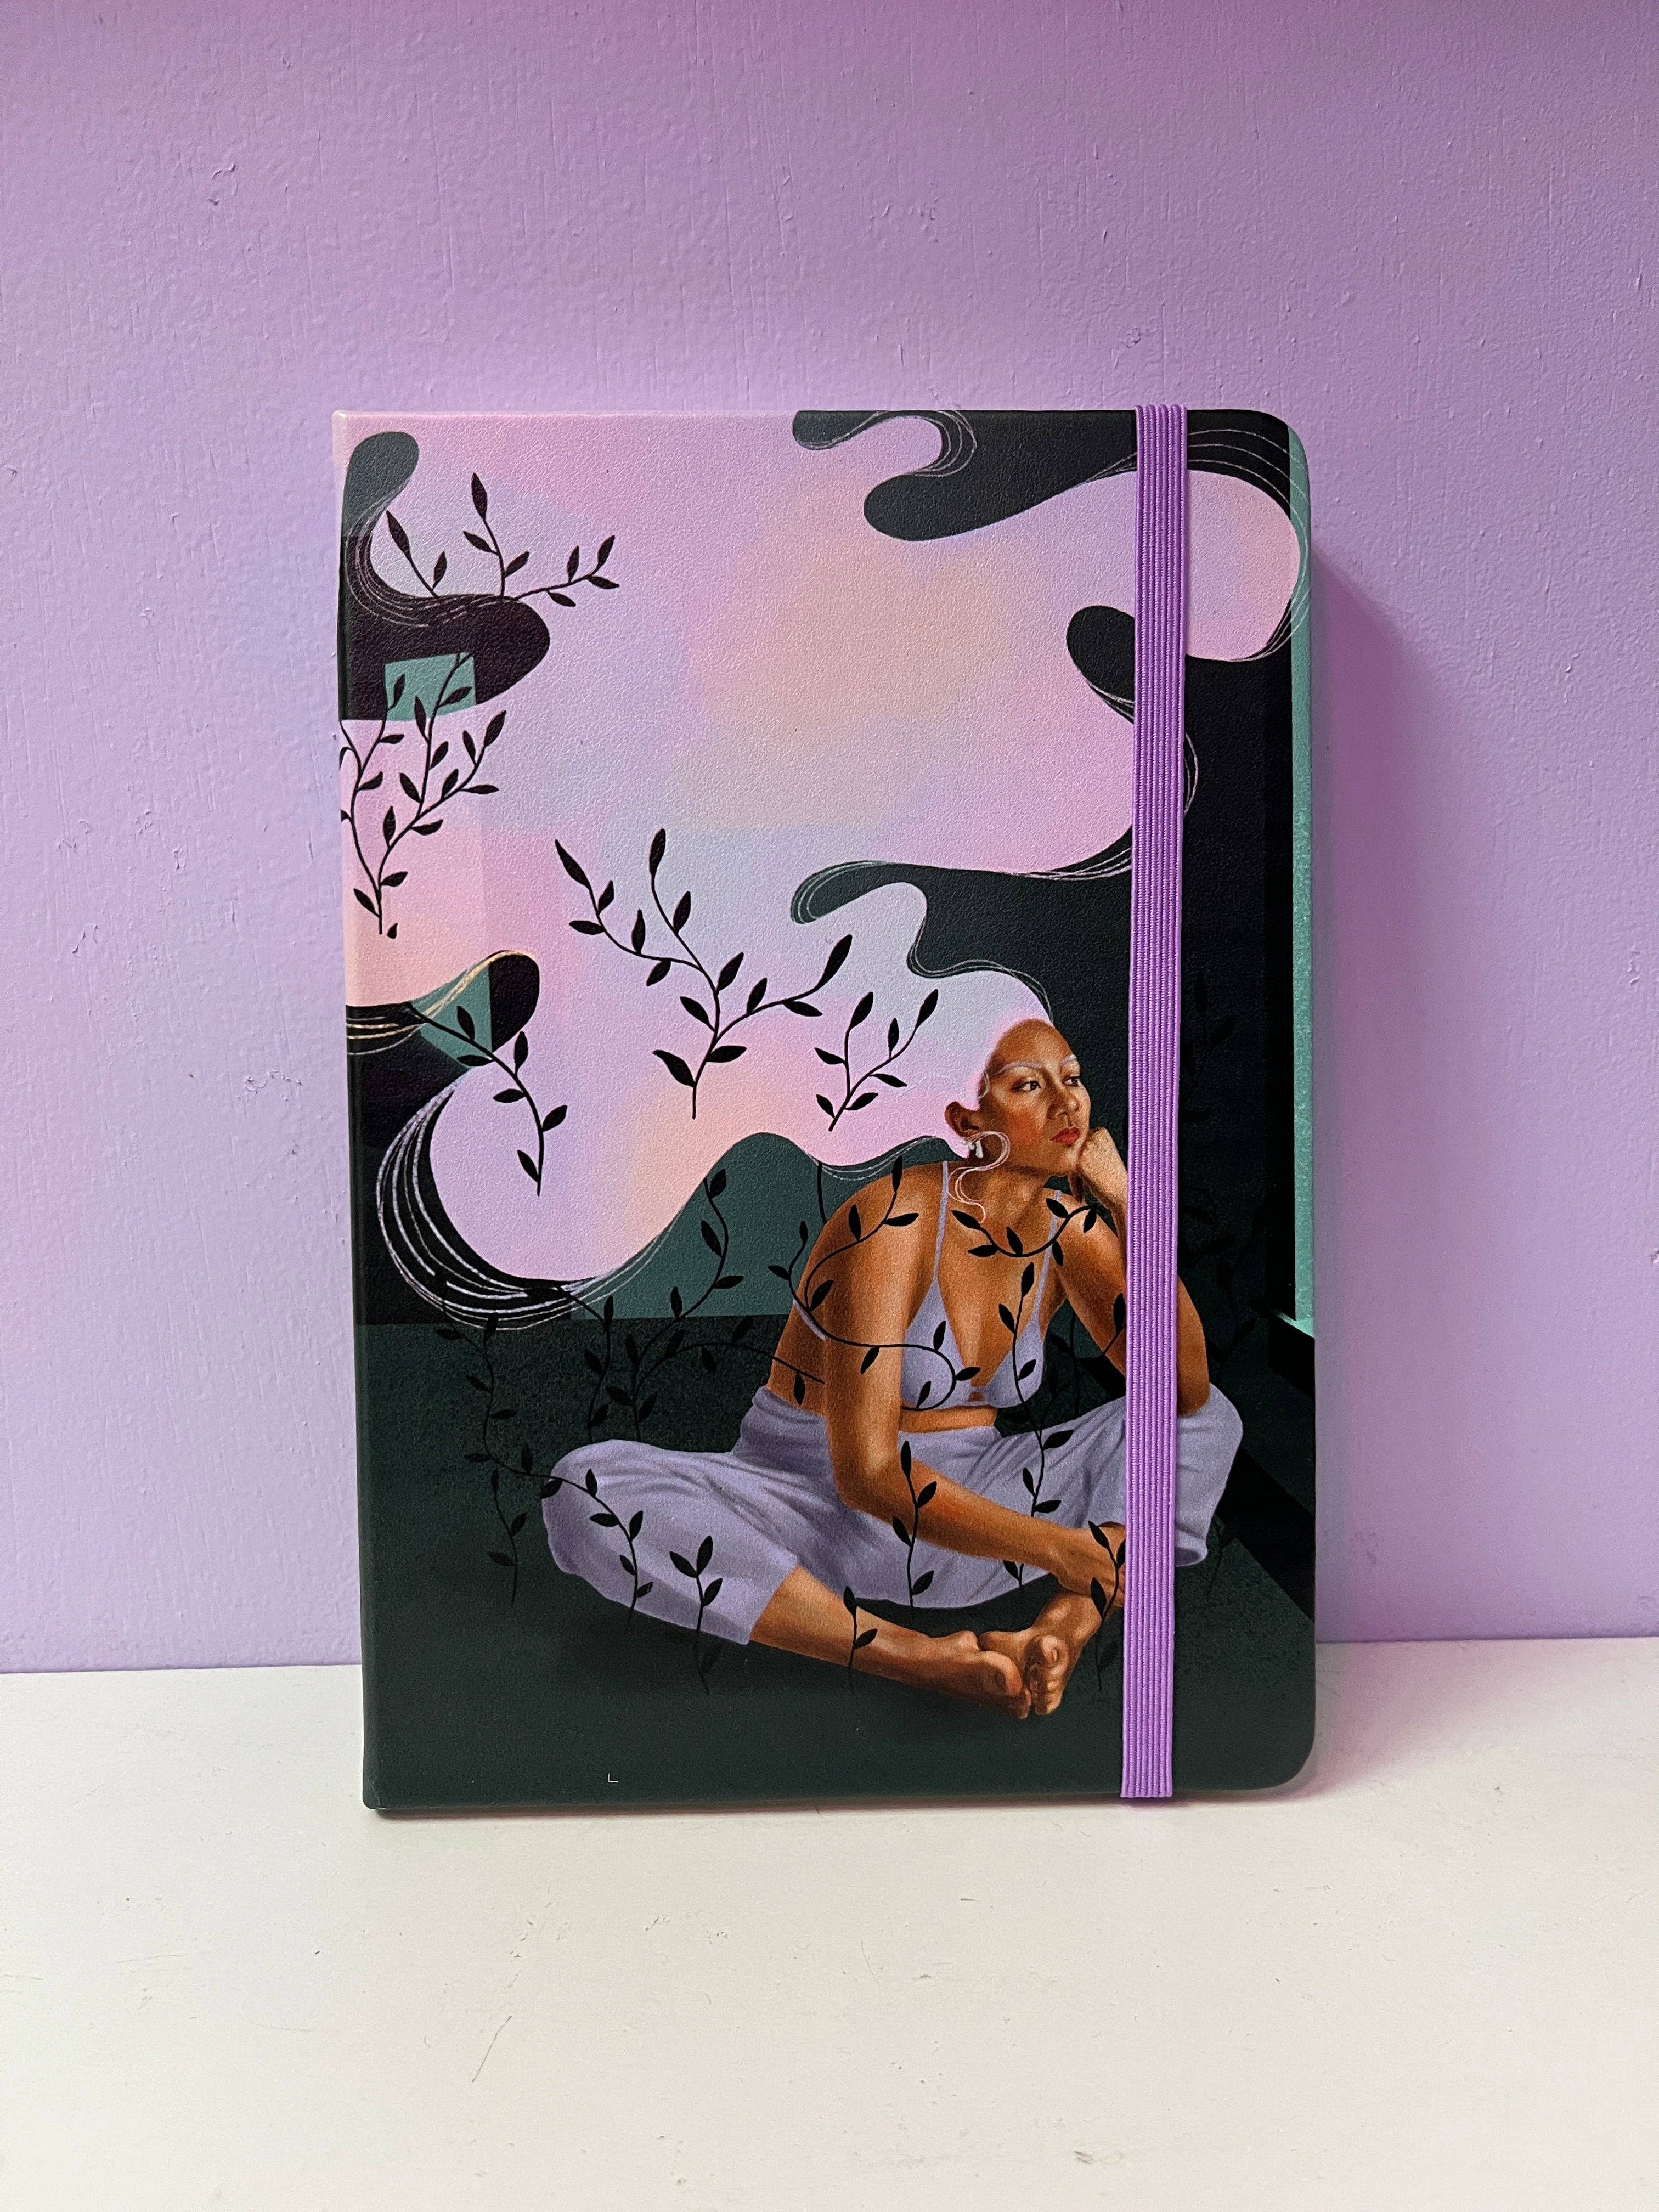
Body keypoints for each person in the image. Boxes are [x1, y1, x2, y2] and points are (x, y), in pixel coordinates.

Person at [542, 1019, 1242, 1718]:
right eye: (1029, 1086)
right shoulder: (892, 1221)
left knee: (1208, 1419)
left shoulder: (1070, 1229)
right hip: (812, 1512)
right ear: (967, 1120)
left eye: (1073, 1078)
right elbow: (869, 1474)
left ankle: (1061, 1629)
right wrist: (1061, 1548)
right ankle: (915, 1657)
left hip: (978, 1520)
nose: (1068, 1104)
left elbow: (1181, 1389)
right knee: (586, 1488)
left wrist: (1129, 1207)